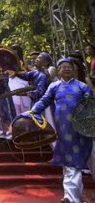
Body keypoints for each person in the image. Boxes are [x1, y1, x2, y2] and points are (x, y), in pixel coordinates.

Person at [29, 58, 92, 203]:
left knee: (74, 163)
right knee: (70, 163)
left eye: (69, 67)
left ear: (74, 70)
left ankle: (72, 197)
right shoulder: (54, 86)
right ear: (58, 70)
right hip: (63, 130)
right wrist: (33, 111)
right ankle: (71, 197)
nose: (66, 69)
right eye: (63, 67)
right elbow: (44, 100)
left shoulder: (82, 87)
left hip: (81, 130)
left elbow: (91, 105)